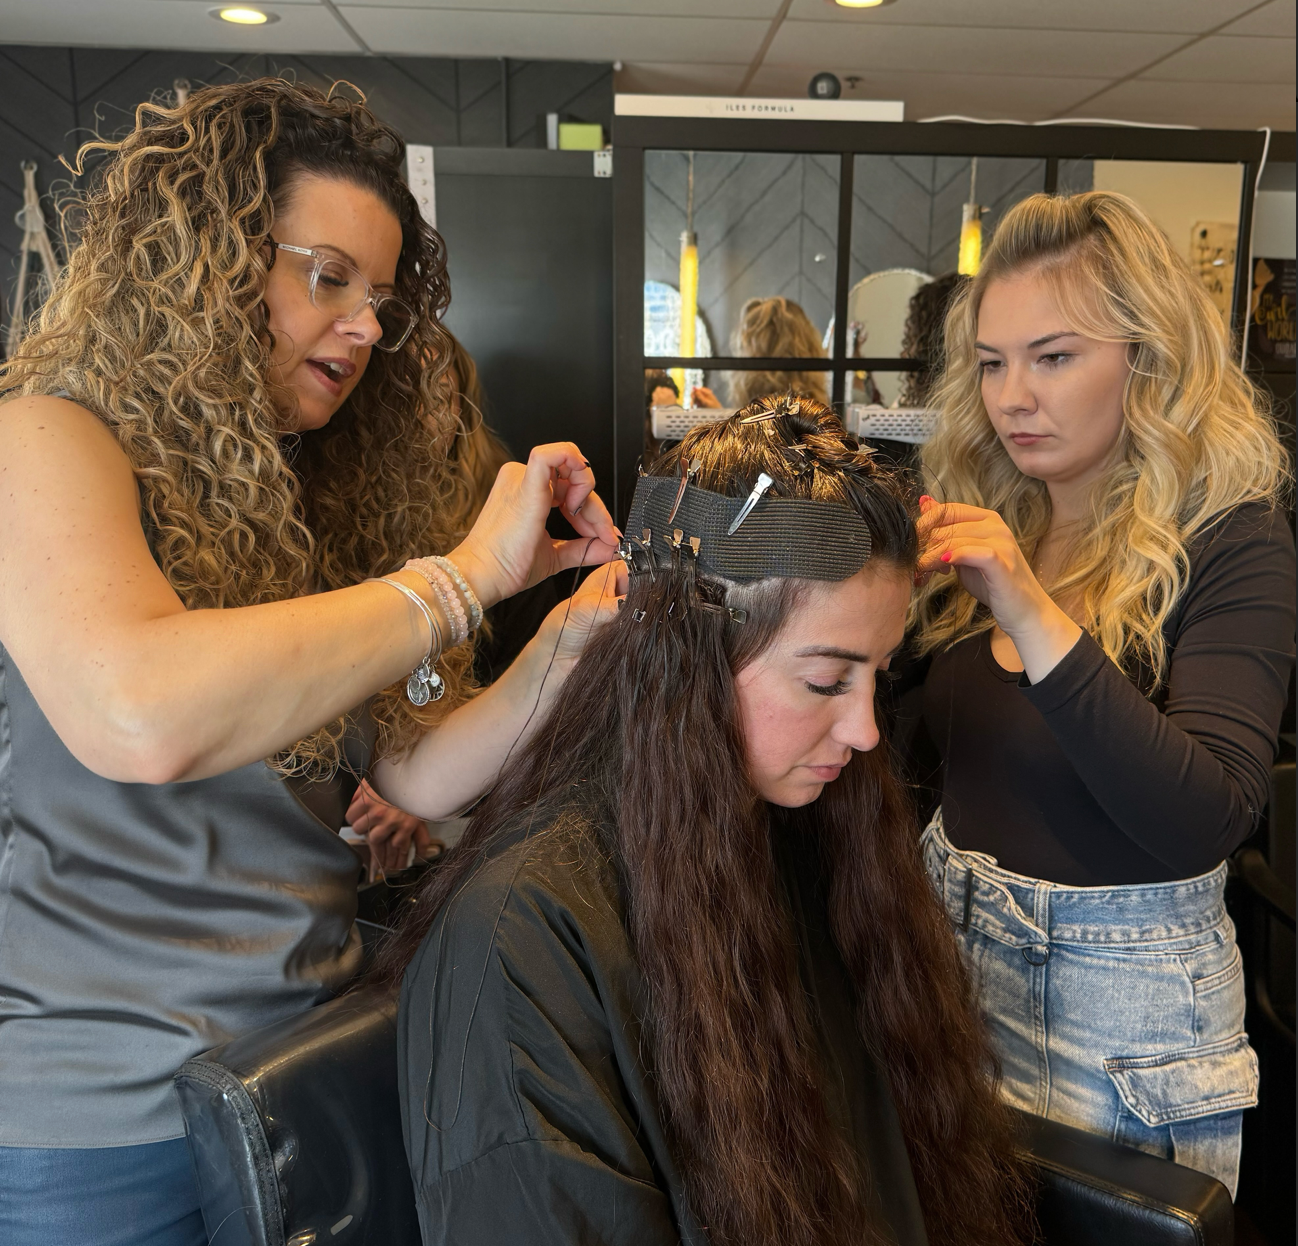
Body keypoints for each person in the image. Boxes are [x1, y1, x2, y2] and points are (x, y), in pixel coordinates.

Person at [0, 78, 621, 1245]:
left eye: (379, 299)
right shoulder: (44, 439)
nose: (367, 329)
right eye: (327, 278)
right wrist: (456, 581)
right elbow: (137, 712)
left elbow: (415, 767)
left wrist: (569, 636)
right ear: (205, 260)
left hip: (298, 1083)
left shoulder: (302, 497)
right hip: (107, 1134)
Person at [388, 395, 1032, 1246]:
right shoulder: (519, 938)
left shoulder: (814, 838)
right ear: (688, 660)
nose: (867, 730)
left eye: (877, 676)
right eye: (826, 681)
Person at [902, 190, 1294, 1197]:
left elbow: (1205, 816)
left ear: (1147, 357)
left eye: (1052, 357)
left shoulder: (1232, 537)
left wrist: (1029, 610)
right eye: (991, 363)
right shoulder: (997, 513)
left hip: (1121, 1022)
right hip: (947, 967)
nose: (1011, 397)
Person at [691, 295, 830, 412]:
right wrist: (718, 413)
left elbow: (756, 433)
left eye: (745, 347)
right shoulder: (814, 415)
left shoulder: (773, 415)